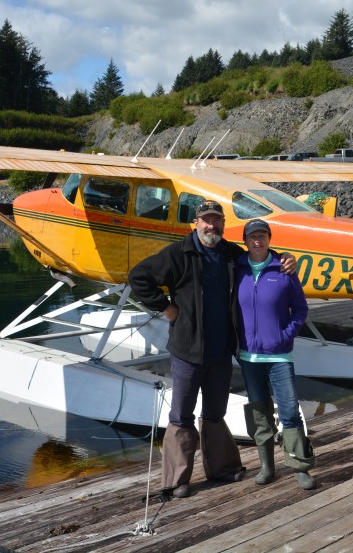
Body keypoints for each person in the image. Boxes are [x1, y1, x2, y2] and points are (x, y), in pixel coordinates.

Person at [127, 199, 295, 499]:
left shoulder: (231, 253)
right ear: (196, 222)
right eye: (206, 220)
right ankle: (177, 480)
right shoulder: (178, 253)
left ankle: (222, 468)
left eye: (217, 220)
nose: (211, 225)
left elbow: (258, 255)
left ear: (222, 223)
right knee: (181, 415)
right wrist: (165, 307)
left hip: (221, 351)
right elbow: (139, 277)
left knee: (215, 413)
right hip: (188, 350)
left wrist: (285, 257)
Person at [235, 218, 317, 490]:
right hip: (249, 357)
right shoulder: (237, 268)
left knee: (289, 411)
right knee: (259, 412)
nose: (257, 241)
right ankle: (267, 466)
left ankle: (299, 467)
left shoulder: (283, 268)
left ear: (269, 239)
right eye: (252, 237)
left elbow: (301, 309)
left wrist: (286, 335)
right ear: (245, 241)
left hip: (279, 356)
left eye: (262, 236)